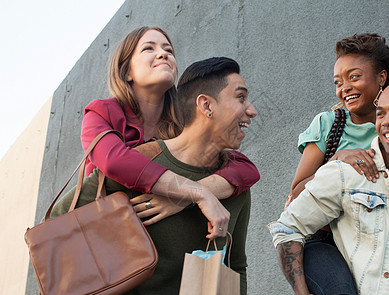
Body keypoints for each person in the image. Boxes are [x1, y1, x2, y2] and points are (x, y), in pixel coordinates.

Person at [52, 57, 257, 295]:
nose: (252, 110)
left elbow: (236, 265)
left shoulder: (235, 186)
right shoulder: (141, 165)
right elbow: (58, 222)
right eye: (241, 97)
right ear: (206, 106)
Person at [286, 33, 389, 295]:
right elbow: (296, 194)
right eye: (338, 82)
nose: (345, 88)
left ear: (381, 78)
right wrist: (337, 160)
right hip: (329, 240)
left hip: (377, 238)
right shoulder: (329, 124)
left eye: (354, 77)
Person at [79, 26, 259, 239]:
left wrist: (180, 198)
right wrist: (197, 193)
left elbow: (246, 169)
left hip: (157, 240)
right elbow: (114, 162)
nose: (163, 54)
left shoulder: (183, 123)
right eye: (149, 48)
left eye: (169, 50)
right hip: (104, 235)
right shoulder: (102, 112)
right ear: (126, 71)